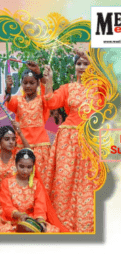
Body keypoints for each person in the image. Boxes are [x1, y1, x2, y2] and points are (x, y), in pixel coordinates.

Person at [42, 50, 104, 232]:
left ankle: (87, 222)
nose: (82, 67)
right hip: (68, 139)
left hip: (91, 140)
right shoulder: (68, 88)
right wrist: (50, 81)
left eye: (86, 64)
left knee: (89, 182)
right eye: (79, 64)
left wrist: (88, 55)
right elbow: (51, 102)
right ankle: (61, 221)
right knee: (64, 181)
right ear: (75, 67)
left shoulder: (100, 88)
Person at [5, 61, 52, 183]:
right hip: (21, 146)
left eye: (32, 83)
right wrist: (8, 89)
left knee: (41, 180)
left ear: (37, 84)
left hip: (40, 146)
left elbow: (47, 90)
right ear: (21, 84)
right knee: (22, 181)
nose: (28, 86)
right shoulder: (18, 100)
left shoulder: (42, 100)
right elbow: (8, 102)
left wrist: (39, 72)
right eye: (25, 83)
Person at [0, 149, 66, 233]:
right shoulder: (7, 182)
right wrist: (20, 215)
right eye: (21, 166)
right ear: (15, 165)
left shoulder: (36, 184)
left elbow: (40, 205)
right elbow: (7, 205)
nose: (25, 170)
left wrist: (40, 221)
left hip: (32, 220)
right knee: (5, 231)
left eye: (29, 167)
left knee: (53, 231)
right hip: (12, 220)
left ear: (33, 167)